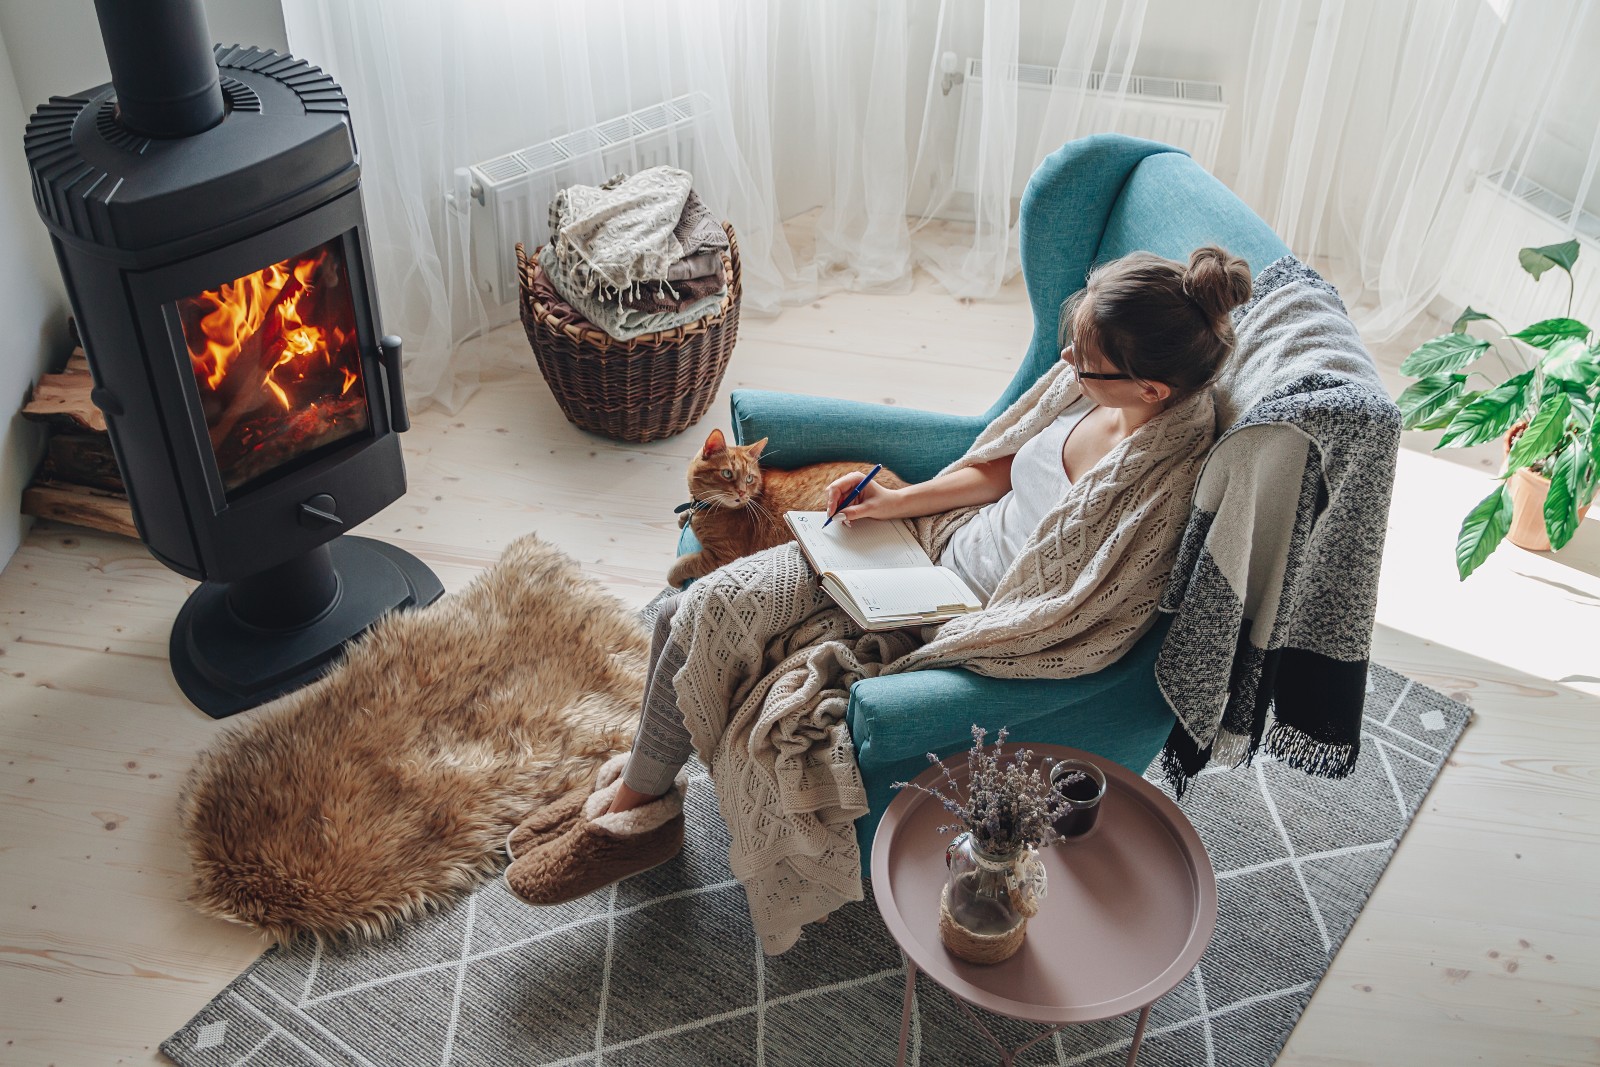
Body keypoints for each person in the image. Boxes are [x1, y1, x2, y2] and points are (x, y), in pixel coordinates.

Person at [503, 245, 1254, 953]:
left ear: (1150, 389)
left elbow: (1083, 617)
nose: (1066, 367)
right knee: (682, 610)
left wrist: (944, 622)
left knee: (704, 623)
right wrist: (892, 504)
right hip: (919, 548)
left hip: (951, 612)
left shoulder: (1159, 486)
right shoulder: (1092, 387)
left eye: (1084, 363)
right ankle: (647, 798)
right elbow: (996, 469)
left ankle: (633, 805)